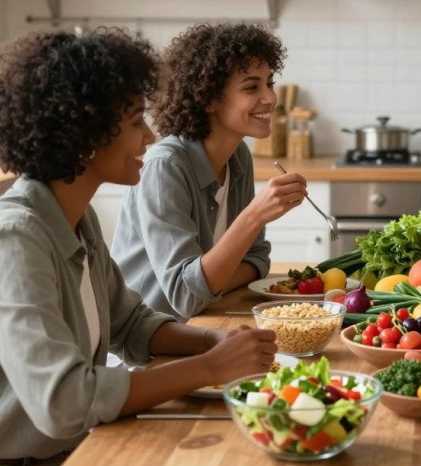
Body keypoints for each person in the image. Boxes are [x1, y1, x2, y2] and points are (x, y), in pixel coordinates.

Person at [0, 29, 277, 466]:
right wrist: (211, 368)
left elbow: (130, 326)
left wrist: (214, 344)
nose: (150, 137)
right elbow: (64, 401)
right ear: (83, 134)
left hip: (70, 452)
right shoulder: (13, 238)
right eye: (136, 122)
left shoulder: (76, 217)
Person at [111, 23, 307, 321]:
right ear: (208, 98)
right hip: (150, 351)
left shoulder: (237, 156)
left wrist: (208, 286)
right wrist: (255, 215)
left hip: (203, 323)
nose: (270, 98)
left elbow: (257, 259)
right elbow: (186, 296)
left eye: (269, 83)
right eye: (251, 87)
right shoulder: (165, 167)